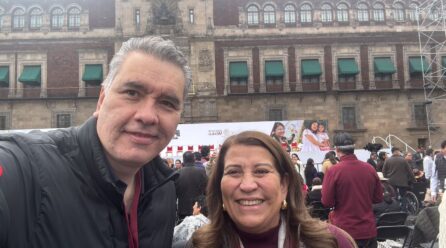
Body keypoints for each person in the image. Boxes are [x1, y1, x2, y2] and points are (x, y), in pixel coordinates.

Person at [0, 36, 192, 247]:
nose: (147, 116)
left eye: (167, 103)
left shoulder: (163, 191)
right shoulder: (26, 171)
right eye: (132, 93)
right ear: (102, 100)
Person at [188, 131, 356, 248]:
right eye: (234, 172)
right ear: (219, 186)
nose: (247, 185)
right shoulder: (199, 245)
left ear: (284, 185)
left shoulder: (332, 243)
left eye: (261, 171)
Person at [322, 132, 383, 248]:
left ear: (337, 149)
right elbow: (378, 198)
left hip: (345, 230)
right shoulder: (369, 168)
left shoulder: (334, 171)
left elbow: (327, 202)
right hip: (368, 229)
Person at [175, 151, 207, 222]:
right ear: (194, 159)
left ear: (183, 160)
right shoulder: (202, 172)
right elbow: (206, 190)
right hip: (198, 208)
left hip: (183, 208)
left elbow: (175, 193)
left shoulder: (177, 173)